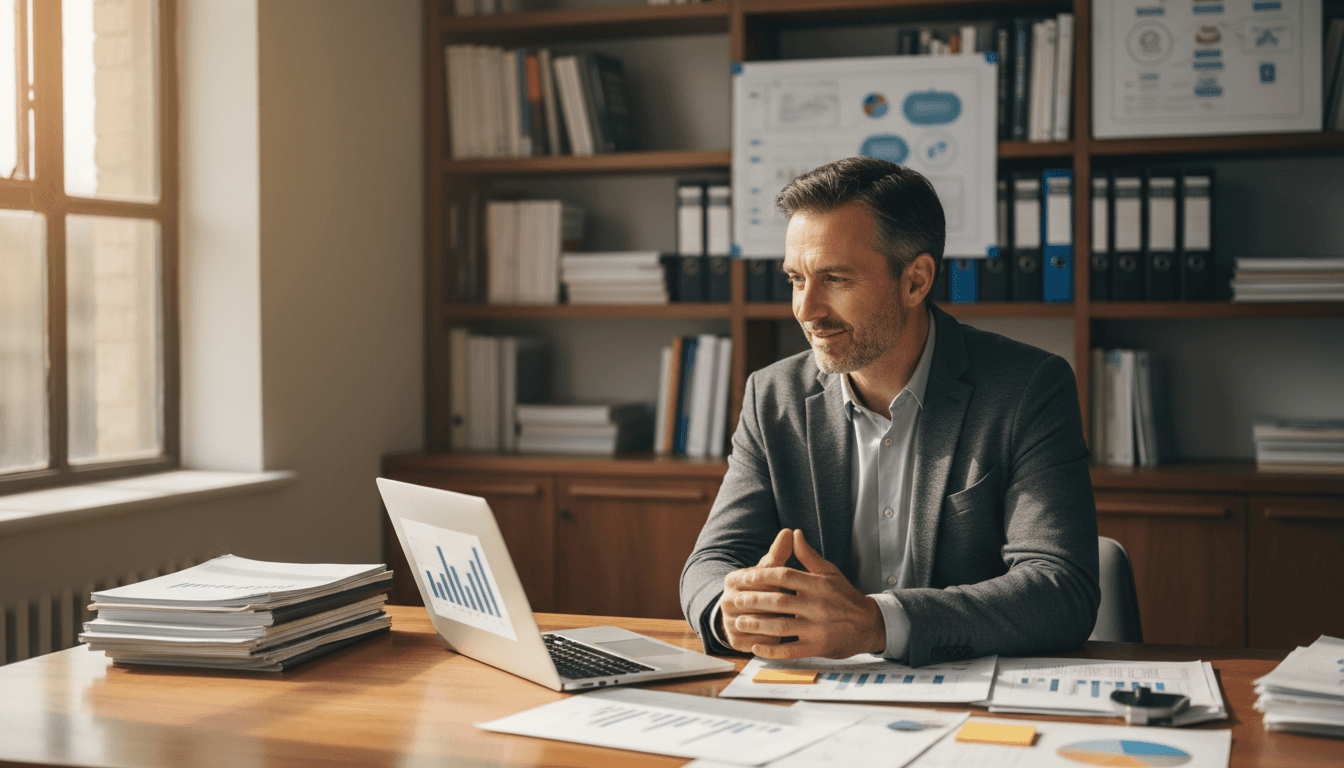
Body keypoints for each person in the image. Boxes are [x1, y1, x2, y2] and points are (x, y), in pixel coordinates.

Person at [680, 157, 1099, 667]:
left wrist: (876, 624)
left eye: (834, 278)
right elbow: (710, 563)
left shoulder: (1027, 389)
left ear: (916, 281)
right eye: (796, 279)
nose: (806, 310)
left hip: (965, 697)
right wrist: (735, 611)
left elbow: (1060, 590)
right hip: (816, 697)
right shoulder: (772, 397)